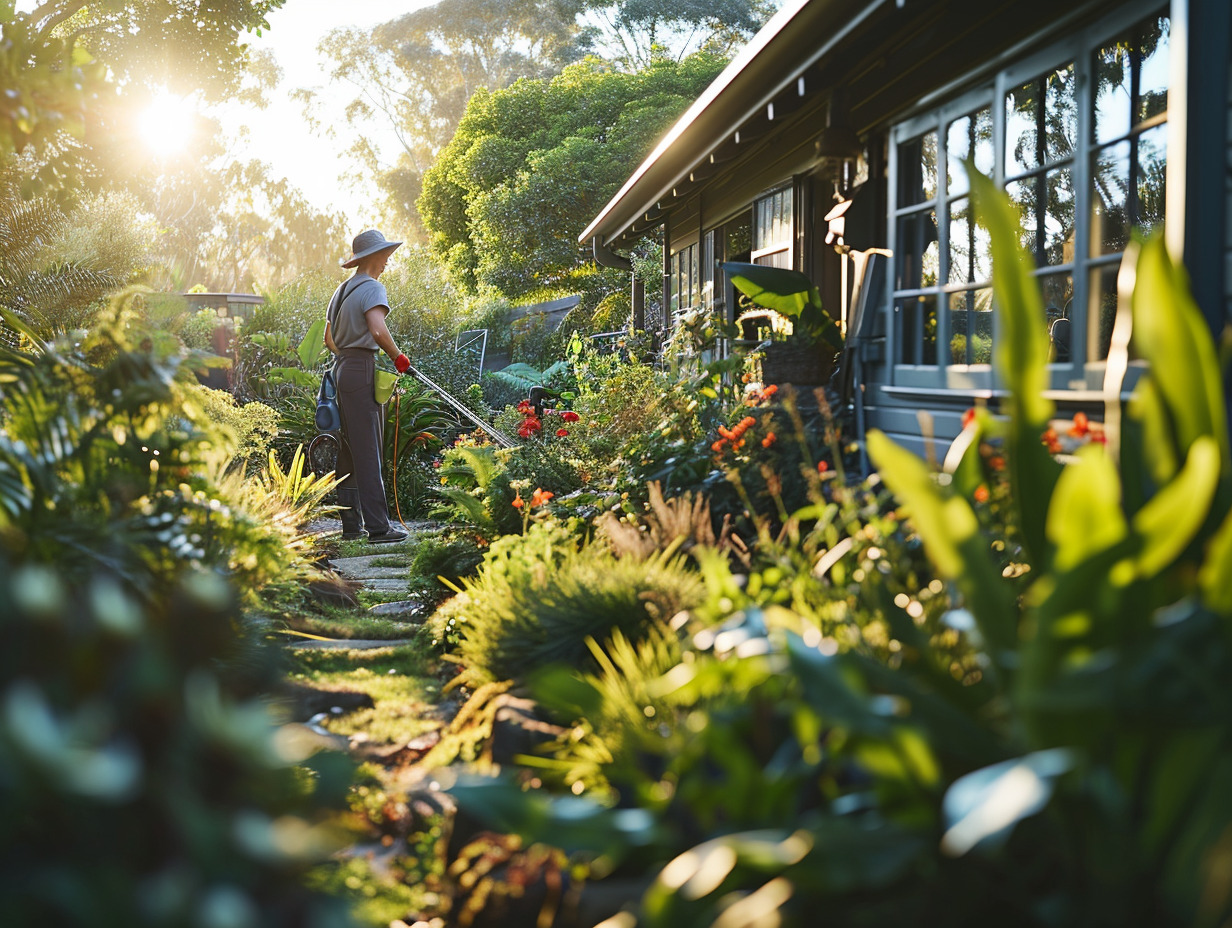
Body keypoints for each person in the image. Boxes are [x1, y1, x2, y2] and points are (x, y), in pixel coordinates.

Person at [323, 229, 411, 544]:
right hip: (360, 370)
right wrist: (398, 357)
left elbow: (328, 340)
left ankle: (351, 526)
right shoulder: (373, 288)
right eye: (384, 255)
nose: (387, 260)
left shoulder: (341, 291)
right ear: (372, 257)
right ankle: (378, 527)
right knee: (369, 450)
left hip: (342, 369)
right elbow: (377, 330)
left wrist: (346, 358)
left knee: (349, 451)